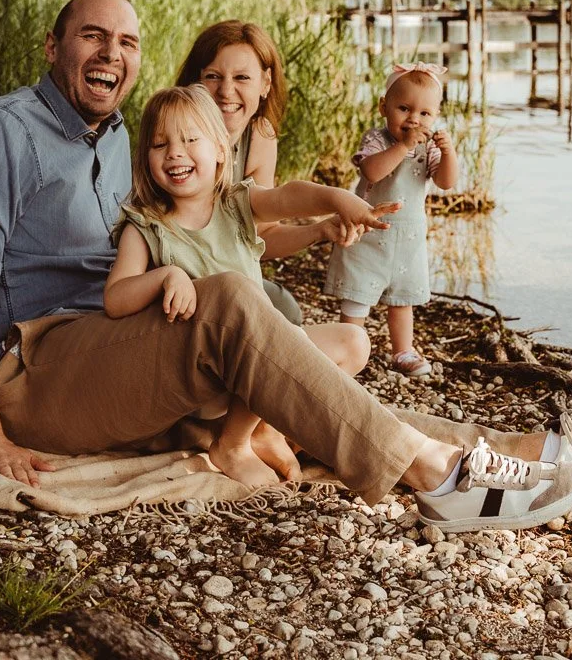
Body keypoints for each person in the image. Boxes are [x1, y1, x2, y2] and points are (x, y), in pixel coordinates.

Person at [0, 0, 572, 532]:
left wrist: (320, 215)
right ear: (54, 48)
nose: (112, 53)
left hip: (129, 352)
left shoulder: (119, 139)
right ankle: (436, 474)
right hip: (42, 369)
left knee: (290, 380)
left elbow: (233, 216)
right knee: (234, 301)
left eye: (127, 41)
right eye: (92, 36)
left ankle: (530, 453)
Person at [106, 85, 394, 487]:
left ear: (222, 150)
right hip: (201, 379)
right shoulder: (147, 226)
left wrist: (341, 200)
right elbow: (116, 299)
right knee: (264, 342)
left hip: (256, 367)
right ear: (146, 158)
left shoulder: (235, 204)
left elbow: (289, 196)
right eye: (160, 144)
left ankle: (261, 427)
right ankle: (232, 443)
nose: (175, 152)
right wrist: (166, 276)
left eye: (191, 140)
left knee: (354, 343)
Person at [175, 20, 341, 325]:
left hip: (229, 275)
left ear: (265, 84)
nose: (226, 91)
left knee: (286, 310)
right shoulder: (176, 136)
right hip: (177, 278)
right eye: (212, 76)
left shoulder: (260, 135)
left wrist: (320, 230)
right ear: (192, 83)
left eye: (242, 77)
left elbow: (263, 234)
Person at [325, 63, 455, 378]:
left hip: (407, 241)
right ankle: (346, 347)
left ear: (435, 116)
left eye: (425, 114)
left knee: (401, 299)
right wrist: (404, 146)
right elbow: (372, 172)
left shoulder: (429, 148)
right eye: (404, 108)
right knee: (357, 295)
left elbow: (446, 183)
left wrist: (449, 154)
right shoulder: (379, 140)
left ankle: (403, 351)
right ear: (384, 107)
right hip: (368, 236)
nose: (414, 119)